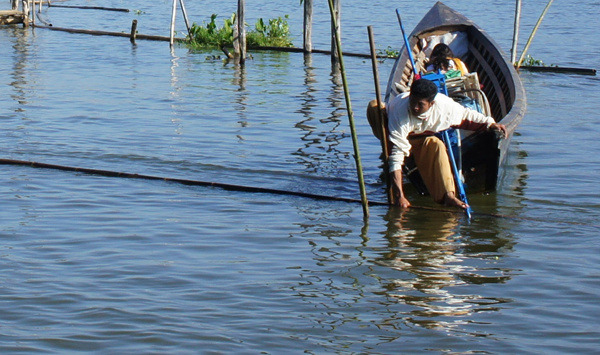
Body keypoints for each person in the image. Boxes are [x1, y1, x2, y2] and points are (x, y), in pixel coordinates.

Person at [385, 78, 506, 209]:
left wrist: (490, 123)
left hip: (422, 137)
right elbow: (396, 155)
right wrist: (399, 196)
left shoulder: (444, 106)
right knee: (375, 107)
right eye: (412, 101)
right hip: (396, 134)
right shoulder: (399, 111)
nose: (415, 107)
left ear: (431, 104)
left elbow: (466, 114)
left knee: (437, 145)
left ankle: (448, 197)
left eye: (420, 104)